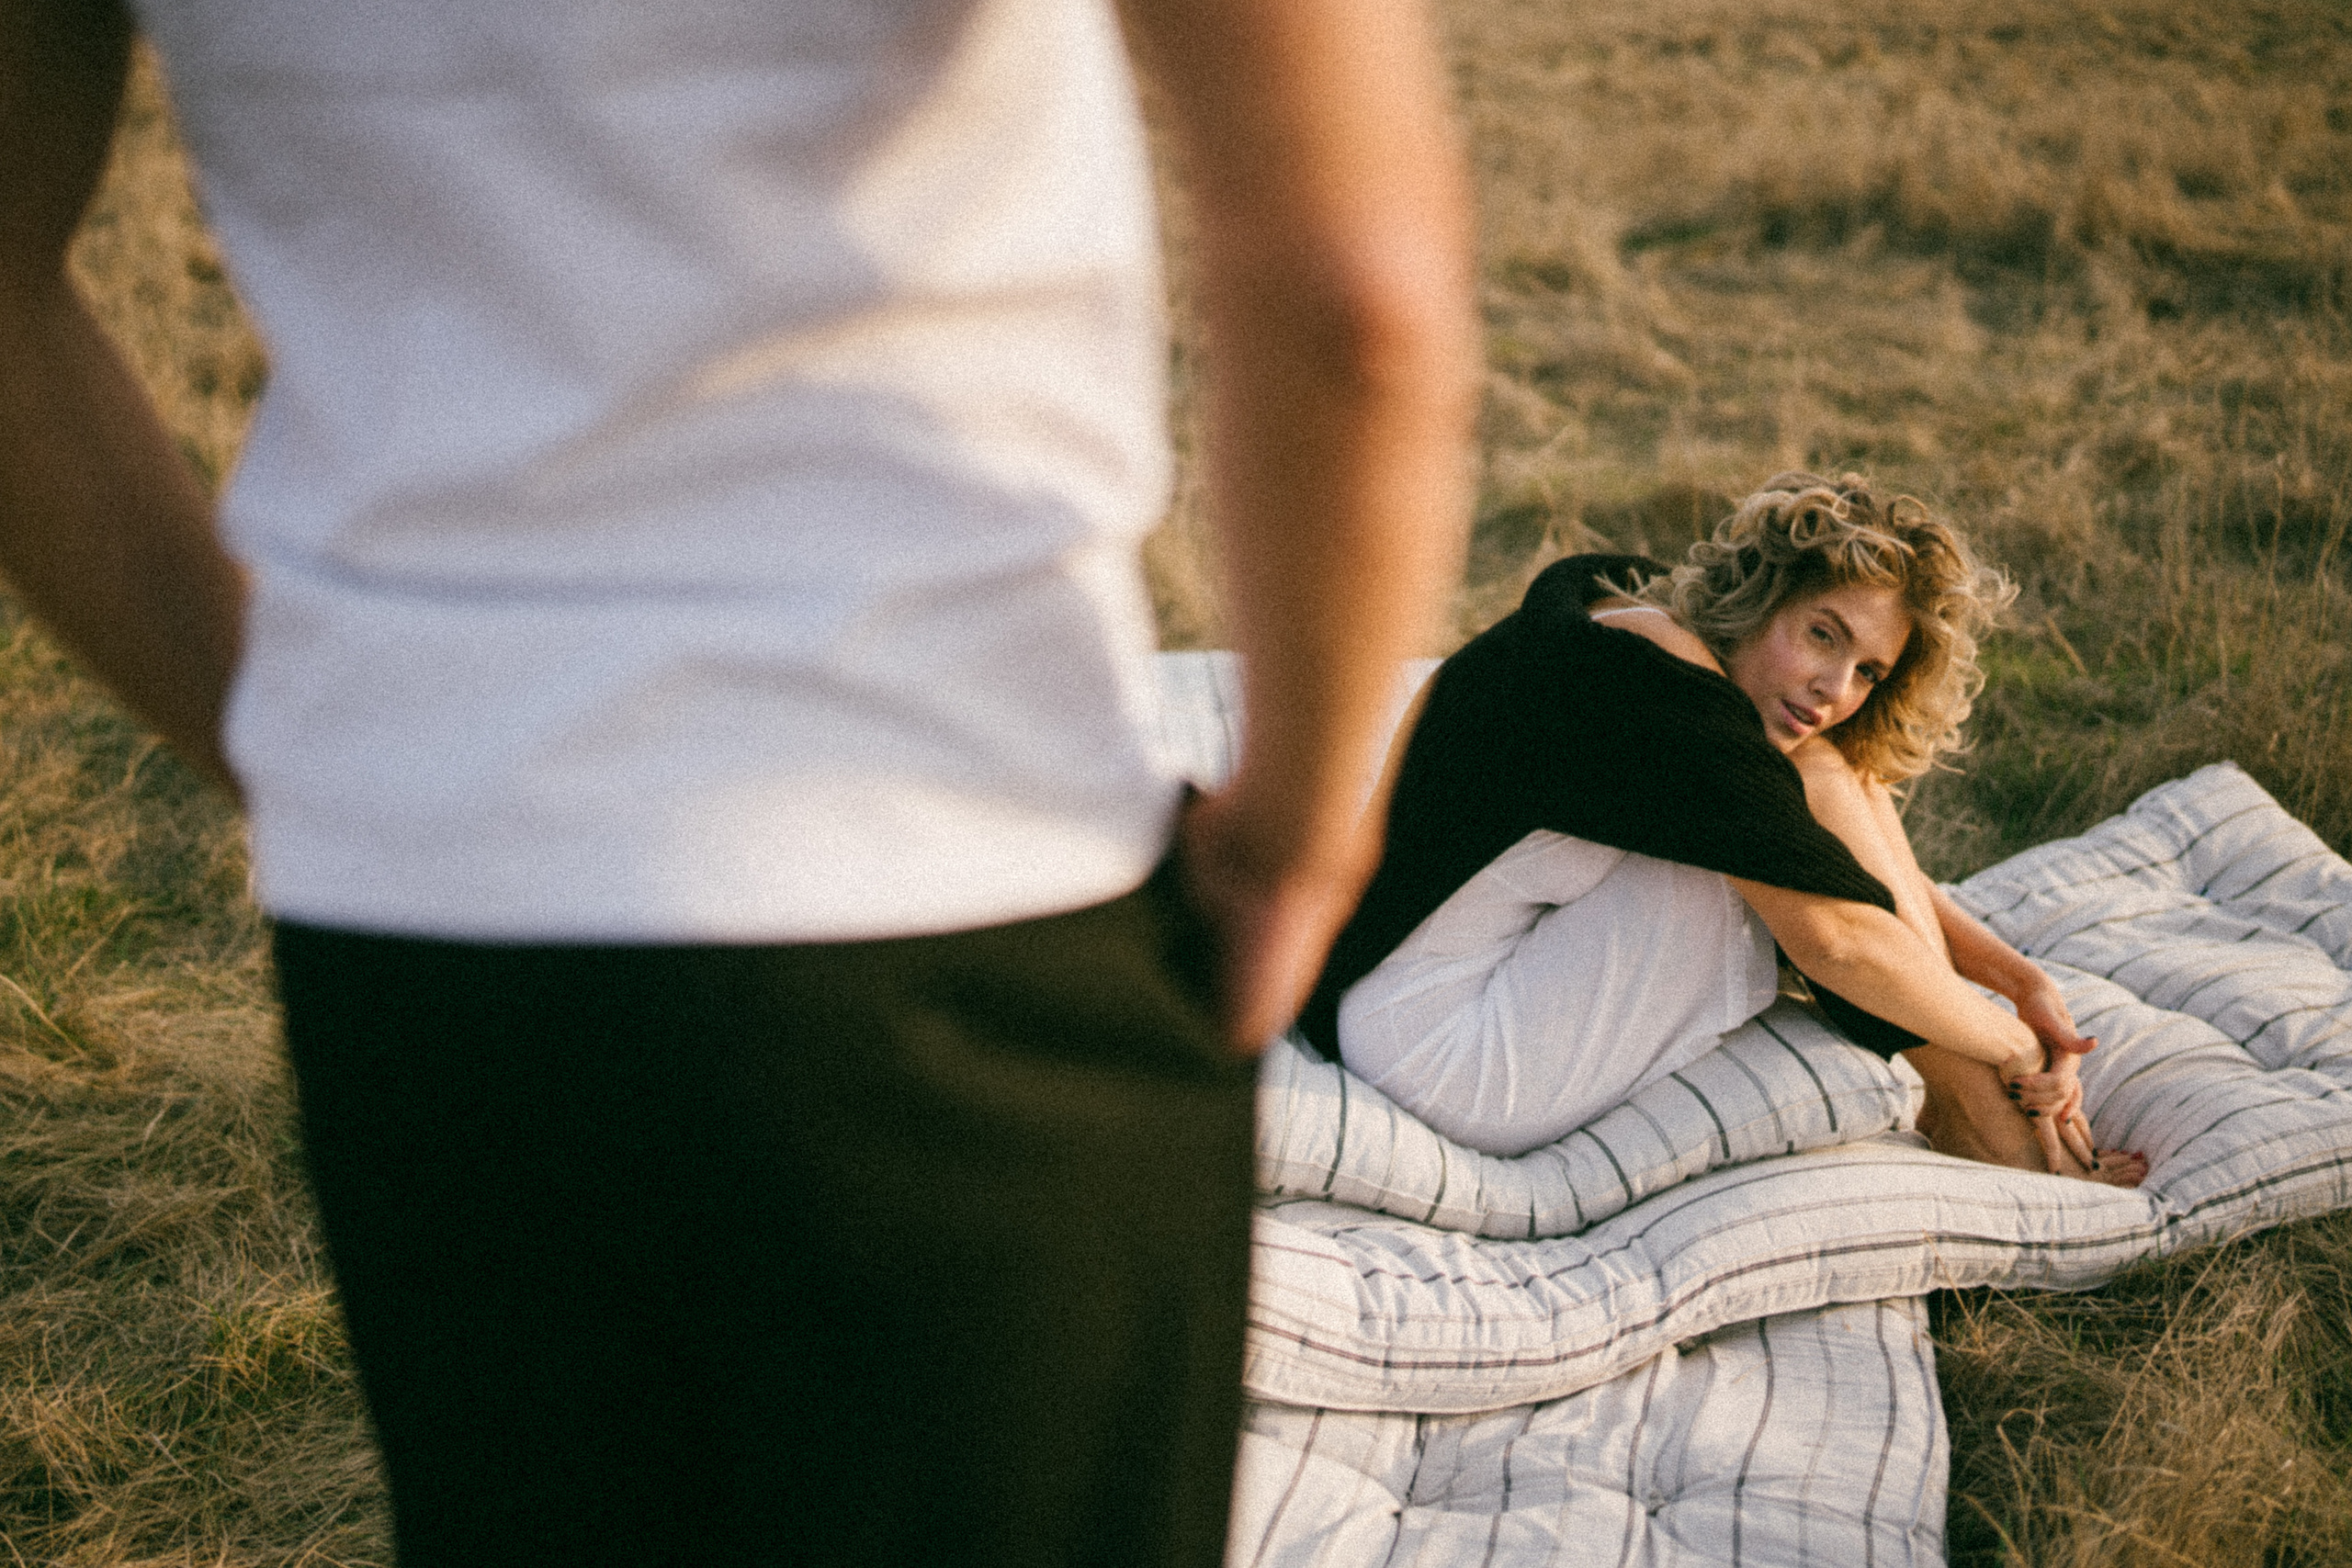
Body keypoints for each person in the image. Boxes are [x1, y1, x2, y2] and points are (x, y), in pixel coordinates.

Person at [0, 1, 1477, 1563]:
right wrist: (1299, 838)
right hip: (971, 884)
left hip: (417, 935)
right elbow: (1354, 298)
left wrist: (311, 734)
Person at [1300, 473, 2147, 1186]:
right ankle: (1982, 1121)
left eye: (1868, 671)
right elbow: (1838, 940)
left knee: (1817, 771)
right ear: (1760, 597)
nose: (1833, 686)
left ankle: (1971, 1103)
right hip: (1444, 1051)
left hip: (1394, 993)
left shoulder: (1633, 612)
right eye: (1823, 633)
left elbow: (1823, 858)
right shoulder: (1666, 697)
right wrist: (2007, 1043)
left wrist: (2011, 973)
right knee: (1801, 813)